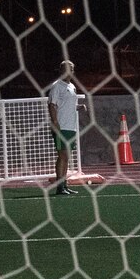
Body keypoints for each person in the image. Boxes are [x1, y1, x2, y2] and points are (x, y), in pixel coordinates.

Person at [46, 60, 83, 196]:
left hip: (70, 126)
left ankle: (64, 185)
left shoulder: (71, 86)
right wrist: (55, 122)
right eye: (70, 69)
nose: (72, 72)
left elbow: (67, 105)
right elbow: (52, 104)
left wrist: (79, 107)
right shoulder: (57, 86)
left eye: (72, 69)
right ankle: (59, 187)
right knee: (62, 156)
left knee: (66, 157)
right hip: (61, 126)